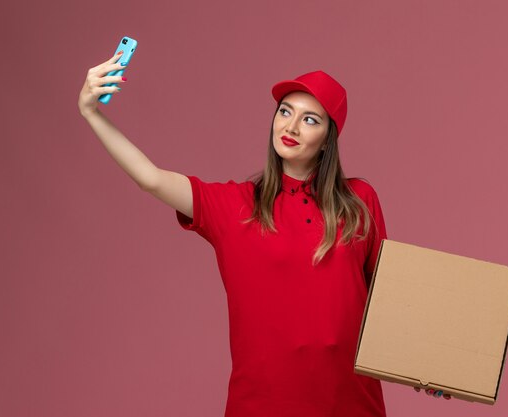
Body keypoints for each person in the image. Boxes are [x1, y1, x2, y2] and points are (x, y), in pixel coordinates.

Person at [78, 51, 451, 417]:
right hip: (261, 407)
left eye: (309, 120)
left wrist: (426, 364)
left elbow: (387, 299)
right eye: (285, 112)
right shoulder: (235, 205)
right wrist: (91, 113)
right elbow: (151, 178)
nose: (290, 127)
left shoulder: (359, 202)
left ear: (328, 139)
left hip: (350, 406)